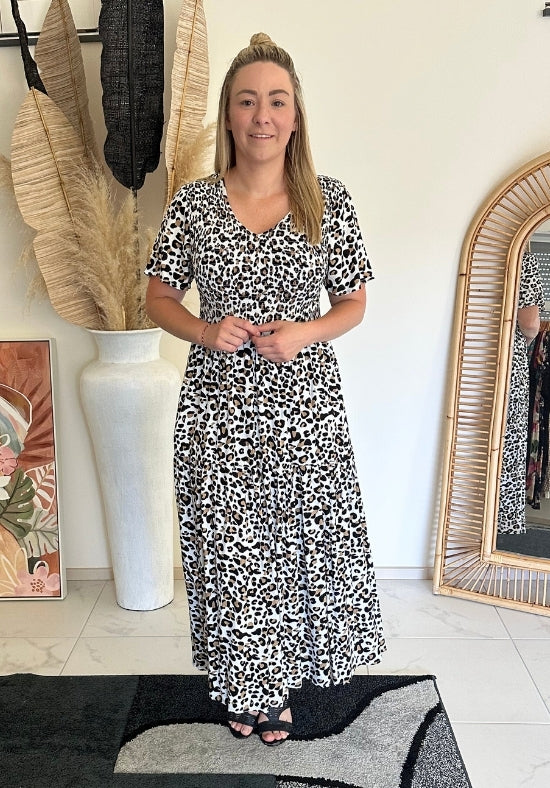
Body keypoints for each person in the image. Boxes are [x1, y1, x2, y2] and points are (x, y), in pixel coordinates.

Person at [145, 32, 385, 746]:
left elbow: (353, 303)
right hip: (217, 408)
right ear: (228, 115)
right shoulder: (193, 205)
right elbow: (158, 297)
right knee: (231, 555)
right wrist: (203, 329)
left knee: (296, 548)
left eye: (277, 101)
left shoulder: (326, 201)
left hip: (304, 409)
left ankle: (277, 687)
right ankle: (244, 685)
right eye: (247, 101)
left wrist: (303, 332)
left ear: (295, 116)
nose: (262, 115)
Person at [497, 250, 544, 534]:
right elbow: (529, 322)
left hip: (469, 349)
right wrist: (528, 340)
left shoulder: (479, 252)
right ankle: (499, 520)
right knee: (507, 438)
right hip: (505, 356)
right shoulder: (521, 258)